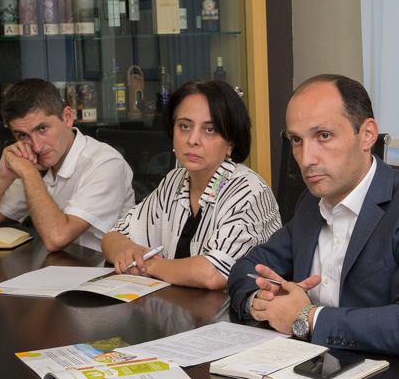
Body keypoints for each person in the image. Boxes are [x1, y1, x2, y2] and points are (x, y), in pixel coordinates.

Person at [228, 74, 399, 367]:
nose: (306, 159)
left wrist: (306, 317)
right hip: (314, 367)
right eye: (296, 140)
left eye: (323, 136)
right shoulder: (311, 203)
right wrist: (263, 299)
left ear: (367, 134)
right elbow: (247, 268)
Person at [101, 80, 281, 290]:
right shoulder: (175, 181)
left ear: (231, 143)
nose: (193, 140)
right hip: (183, 305)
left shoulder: (249, 191)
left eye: (210, 129)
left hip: (240, 310)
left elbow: (212, 273)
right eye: (184, 126)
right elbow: (112, 237)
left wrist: (147, 265)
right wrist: (127, 252)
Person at [0, 79, 134, 253]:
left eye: (42, 129)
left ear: (67, 117)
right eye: (22, 135)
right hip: (55, 266)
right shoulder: (34, 161)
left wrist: (29, 173)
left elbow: (56, 238)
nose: (36, 147)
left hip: (97, 268)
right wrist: (2, 176)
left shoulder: (105, 163)